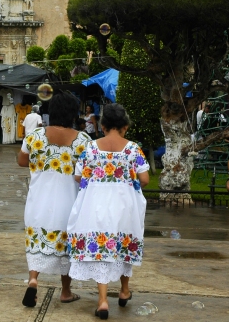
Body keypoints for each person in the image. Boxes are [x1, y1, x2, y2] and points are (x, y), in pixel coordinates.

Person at [67, 103, 150, 320]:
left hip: (96, 204)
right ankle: (124, 291)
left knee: (101, 248)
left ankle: (102, 301)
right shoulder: (133, 149)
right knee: (124, 245)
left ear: (102, 126)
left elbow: (78, 176)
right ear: (125, 126)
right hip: (124, 206)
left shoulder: (91, 148)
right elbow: (145, 179)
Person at [17, 93, 91, 307]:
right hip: (69, 202)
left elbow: (22, 161)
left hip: (39, 201)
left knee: (36, 242)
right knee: (66, 246)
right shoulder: (83, 140)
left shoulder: (35, 136)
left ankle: (33, 279)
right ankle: (66, 291)